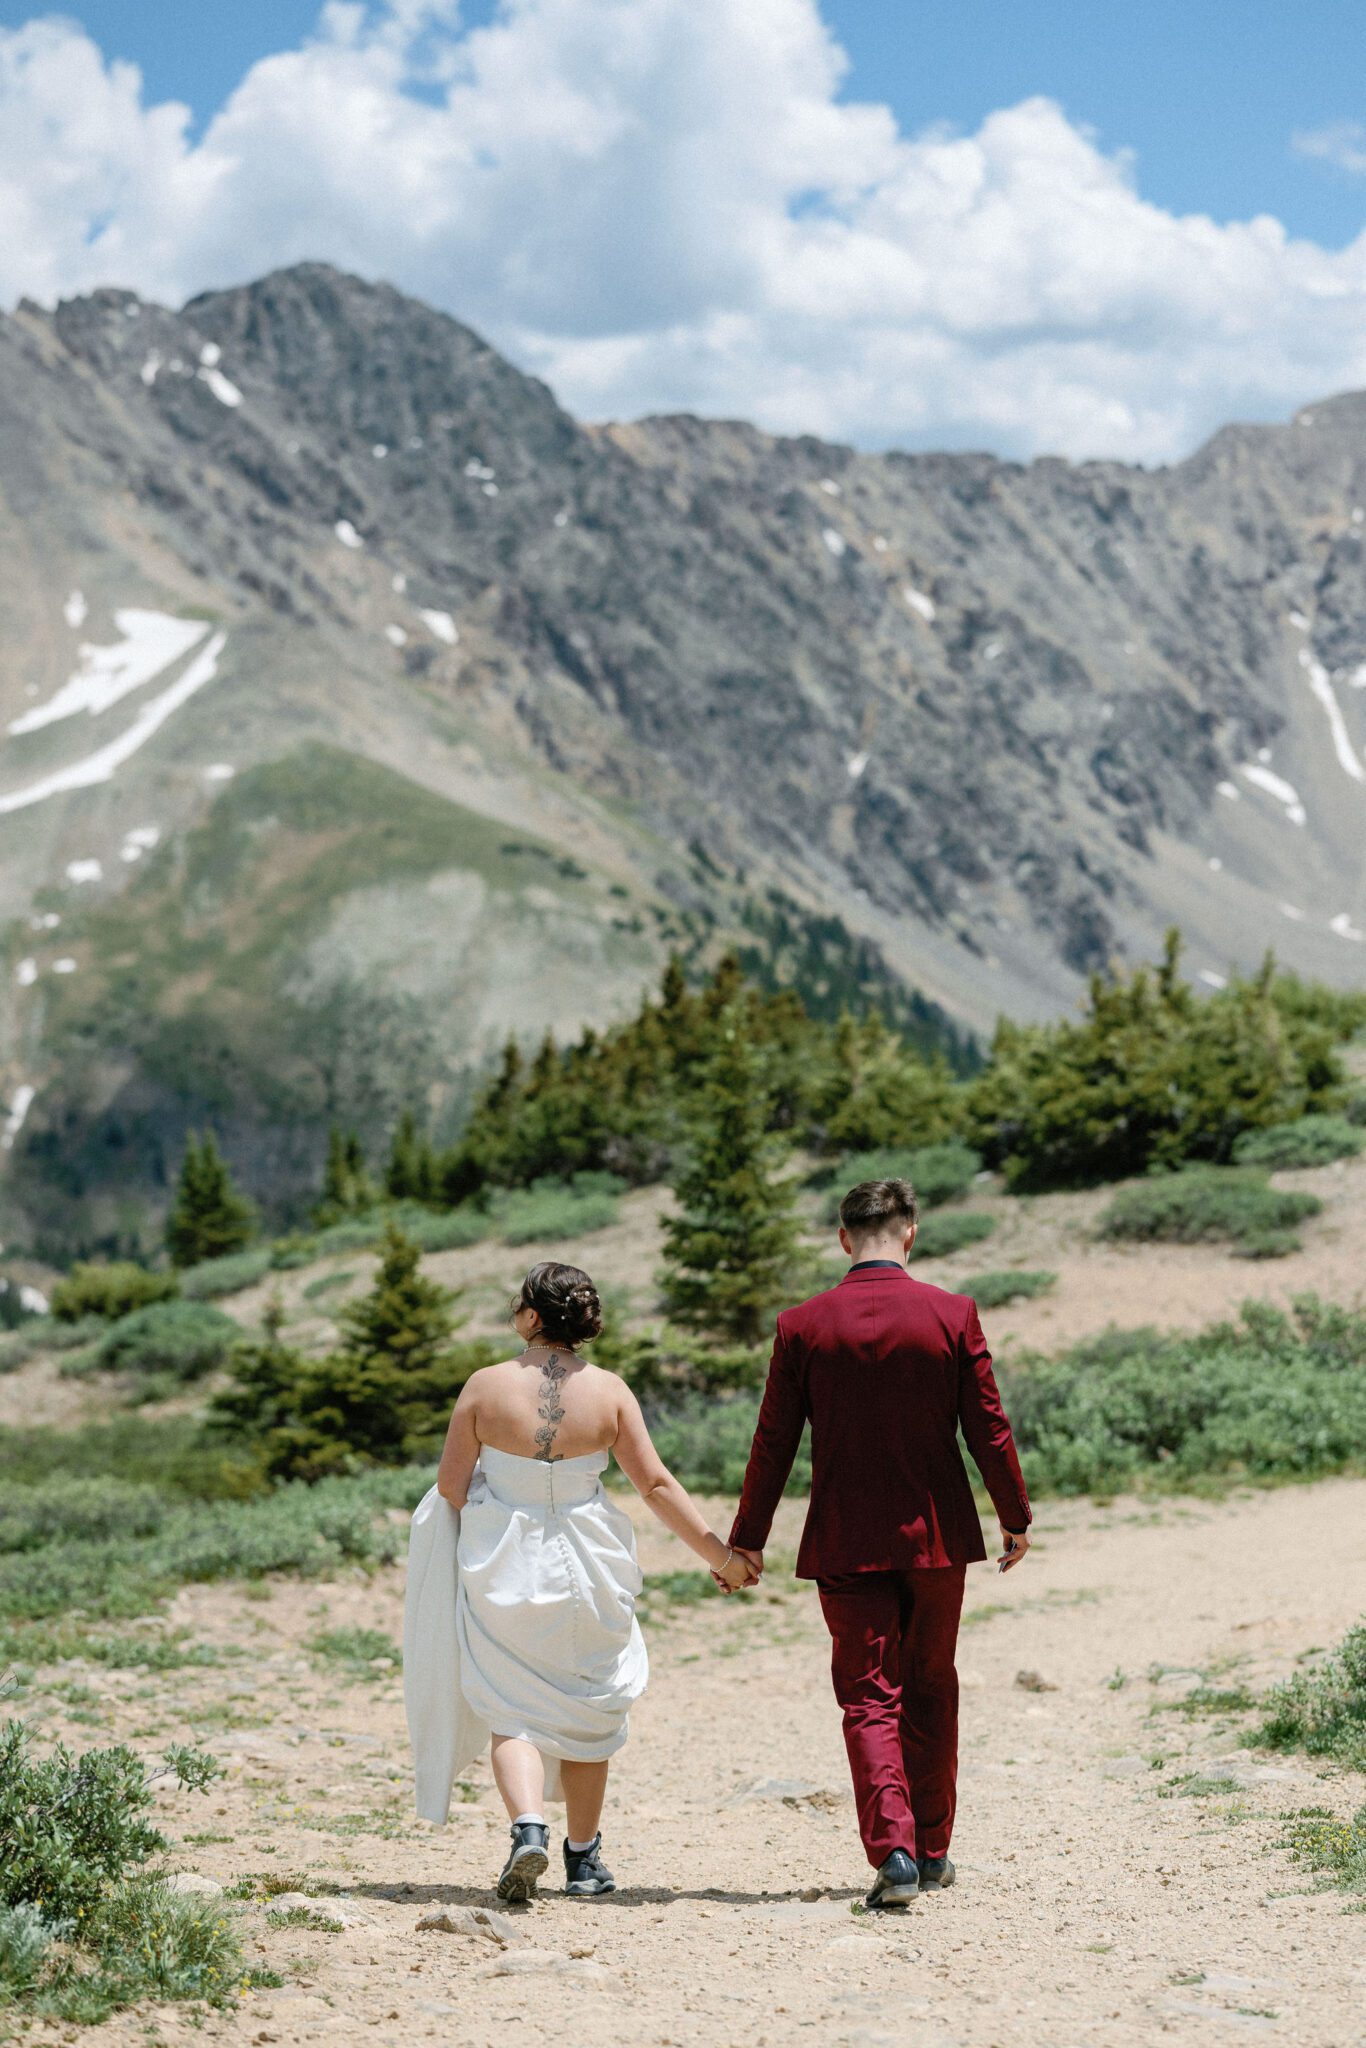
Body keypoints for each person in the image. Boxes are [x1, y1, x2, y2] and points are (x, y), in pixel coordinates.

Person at [406, 1260, 755, 1905]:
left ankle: (527, 1827)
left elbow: (450, 1488)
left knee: (509, 1705)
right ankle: (584, 1860)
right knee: (590, 1707)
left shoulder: (483, 1388)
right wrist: (720, 1554)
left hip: (504, 1563)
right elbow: (653, 1484)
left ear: (533, 1317)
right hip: (589, 1562)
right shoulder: (611, 1392)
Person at [727, 1177, 1032, 1910]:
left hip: (844, 1539)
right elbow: (987, 1426)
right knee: (932, 1685)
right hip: (937, 1536)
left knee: (868, 1697)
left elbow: (774, 1442)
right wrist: (1013, 1515)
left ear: (843, 1239)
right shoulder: (952, 1314)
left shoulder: (802, 1325)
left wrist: (748, 1540)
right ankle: (932, 1851)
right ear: (910, 1234)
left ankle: (892, 1853)